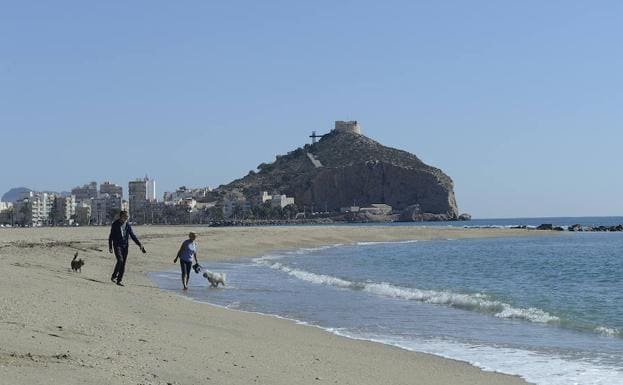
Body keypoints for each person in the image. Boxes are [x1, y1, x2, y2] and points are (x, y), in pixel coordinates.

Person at [108, 210, 146, 286]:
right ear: (121, 216)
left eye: (127, 217)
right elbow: (111, 236)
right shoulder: (115, 224)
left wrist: (140, 245)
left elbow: (132, 236)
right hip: (117, 245)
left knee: (123, 264)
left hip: (125, 246)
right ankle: (114, 276)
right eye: (125, 216)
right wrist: (110, 247)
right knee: (120, 260)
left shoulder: (128, 225)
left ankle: (119, 280)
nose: (127, 218)